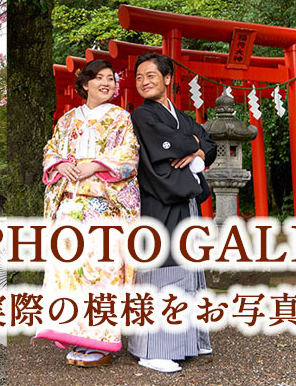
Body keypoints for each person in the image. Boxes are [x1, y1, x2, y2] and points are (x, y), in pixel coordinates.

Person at [34, 59, 140, 367]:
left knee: (101, 272)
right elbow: (51, 150)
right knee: (68, 274)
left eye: (112, 79)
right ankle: (74, 337)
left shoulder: (120, 117)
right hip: (70, 204)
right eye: (100, 78)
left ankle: (102, 343)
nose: (107, 83)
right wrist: (60, 165)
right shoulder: (68, 120)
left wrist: (95, 165)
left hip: (103, 207)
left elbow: (128, 154)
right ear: (85, 84)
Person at [127, 52, 217, 373]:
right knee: (162, 270)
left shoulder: (182, 115)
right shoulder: (141, 115)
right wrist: (193, 146)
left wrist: (196, 148)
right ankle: (152, 349)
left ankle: (189, 341)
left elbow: (209, 143)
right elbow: (167, 147)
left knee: (188, 270)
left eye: (151, 75)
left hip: (186, 201)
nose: (144, 81)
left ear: (167, 79)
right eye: (139, 77)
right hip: (160, 199)